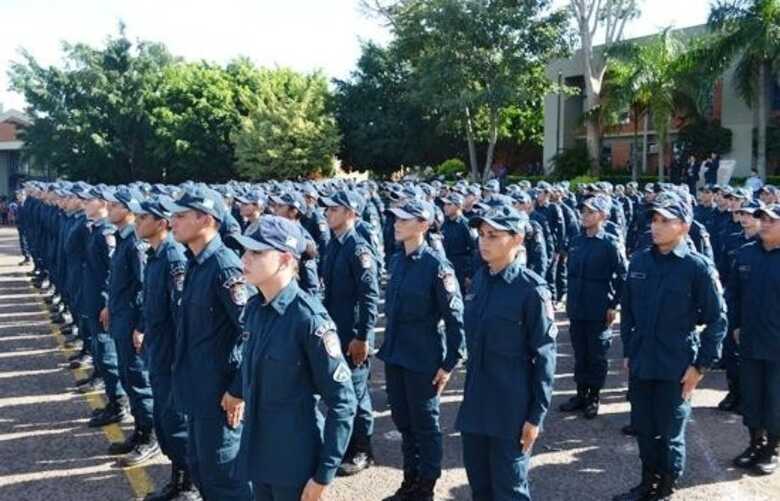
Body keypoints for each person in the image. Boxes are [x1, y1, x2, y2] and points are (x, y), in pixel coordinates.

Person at [229, 216, 358, 501]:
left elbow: (343, 402)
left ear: (286, 259)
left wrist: (324, 474)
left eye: (257, 252)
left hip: (294, 463)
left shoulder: (308, 320)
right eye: (245, 251)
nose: (245, 259)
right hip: (259, 452)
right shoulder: (255, 308)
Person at [615, 192, 727, 501]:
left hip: (676, 362)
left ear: (684, 227)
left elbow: (717, 320)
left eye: (665, 221)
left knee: (669, 430)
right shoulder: (638, 260)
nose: (656, 226)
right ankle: (646, 481)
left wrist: (701, 366)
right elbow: (629, 311)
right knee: (643, 425)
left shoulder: (697, 267)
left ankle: (665, 486)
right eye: (654, 220)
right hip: (642, 359)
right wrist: (628, 350)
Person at [455, 204, 558, 501]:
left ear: (517, 239)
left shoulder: (531, 290)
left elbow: (545, 358)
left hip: (510, 407)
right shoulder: (481, 279)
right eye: (482, 235)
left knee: (510, 490)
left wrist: (535, 417)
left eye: (493, 236)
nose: (483, 242)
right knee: (481, 487)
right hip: (476, 402)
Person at [165, 186, 254, 501]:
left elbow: (253, 331)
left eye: (180, 216)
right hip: (198, 389)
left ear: (206, 219)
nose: (171, 222)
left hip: (220, 395)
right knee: (201, 470)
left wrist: (238, 389)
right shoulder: (195, 261)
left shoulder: (224, 266)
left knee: (224, 478)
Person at [378, 199, 465, 501]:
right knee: (403, 421)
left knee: (425, 424)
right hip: (395, 352)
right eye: (396, 219)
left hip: (422, 355)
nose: (397, 224)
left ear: (424, 225)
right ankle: (409, 480)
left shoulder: (437, 266)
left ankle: (425, 486)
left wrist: (450, 362)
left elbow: (455, 318)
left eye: (405, 219)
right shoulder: (397, 260)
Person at [131, 196, 198, 500]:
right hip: (157, 352)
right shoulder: (155, 255)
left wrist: (178, 360)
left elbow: (182, 317)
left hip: (172, 355)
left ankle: (190, 483)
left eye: (143, 217)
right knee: (164, 420)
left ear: (161, 223)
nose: (137, 222)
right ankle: (177, 476)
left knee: (176, 422)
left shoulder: (174, 258)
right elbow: (152, 302)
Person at [319, 190, 380, 476]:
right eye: (328, 209)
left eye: (334, 209)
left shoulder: (358, 249)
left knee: (356, 392)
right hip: (336, 330)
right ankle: (344, 445)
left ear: (350, 213)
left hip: (353, 333)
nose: (328, 213)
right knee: (340, 391)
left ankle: (362, 450)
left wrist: (364, 336)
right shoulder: (334, 245)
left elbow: (369, 296)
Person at [104, 187, 159, 466]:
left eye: (114, 205)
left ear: (126, 209)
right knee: (128, 377)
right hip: (121, 318)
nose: (108, 209)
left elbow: (142, 290)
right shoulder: (125, 239)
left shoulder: (135, 244)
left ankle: (149, 436)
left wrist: (140, 326)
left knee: (139, 381)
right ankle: (139, 430)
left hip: (131, 323)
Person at [560, 195, 627, 419]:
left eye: (590, 211)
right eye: (584, 211)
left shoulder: (609, 243)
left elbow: (622, 276)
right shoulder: (577, 241)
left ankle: (594, 397)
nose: (584, 215)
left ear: (603, 215)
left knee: (596, 354)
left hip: (598, 306)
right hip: (577, 306)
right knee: (580, 352)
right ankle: (580, 394)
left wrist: (613, 304)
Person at [726, 204, 780, 476]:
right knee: (752, 395)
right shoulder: (746, 254)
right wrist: (734, 325)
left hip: (777, 345)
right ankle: (754, 443)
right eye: (763, 219)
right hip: (749, 340)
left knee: (775, 398)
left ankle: (772, 448)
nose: (766, 224)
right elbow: (733, 293)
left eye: (772, 220)